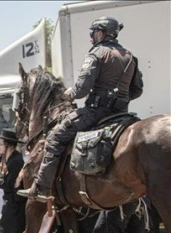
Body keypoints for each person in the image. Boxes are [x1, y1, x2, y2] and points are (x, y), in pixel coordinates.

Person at [18, 16, 143, 202]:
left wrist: (70, 94)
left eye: (92, 33)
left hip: (95, 112)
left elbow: (82, 88)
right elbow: (137, 90)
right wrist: (120, 99)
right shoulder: (130, 57)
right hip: (121, 114)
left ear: (100, 33)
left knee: (53, 138)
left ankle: (42, 188)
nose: (91, 37)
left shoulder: (97, 53)